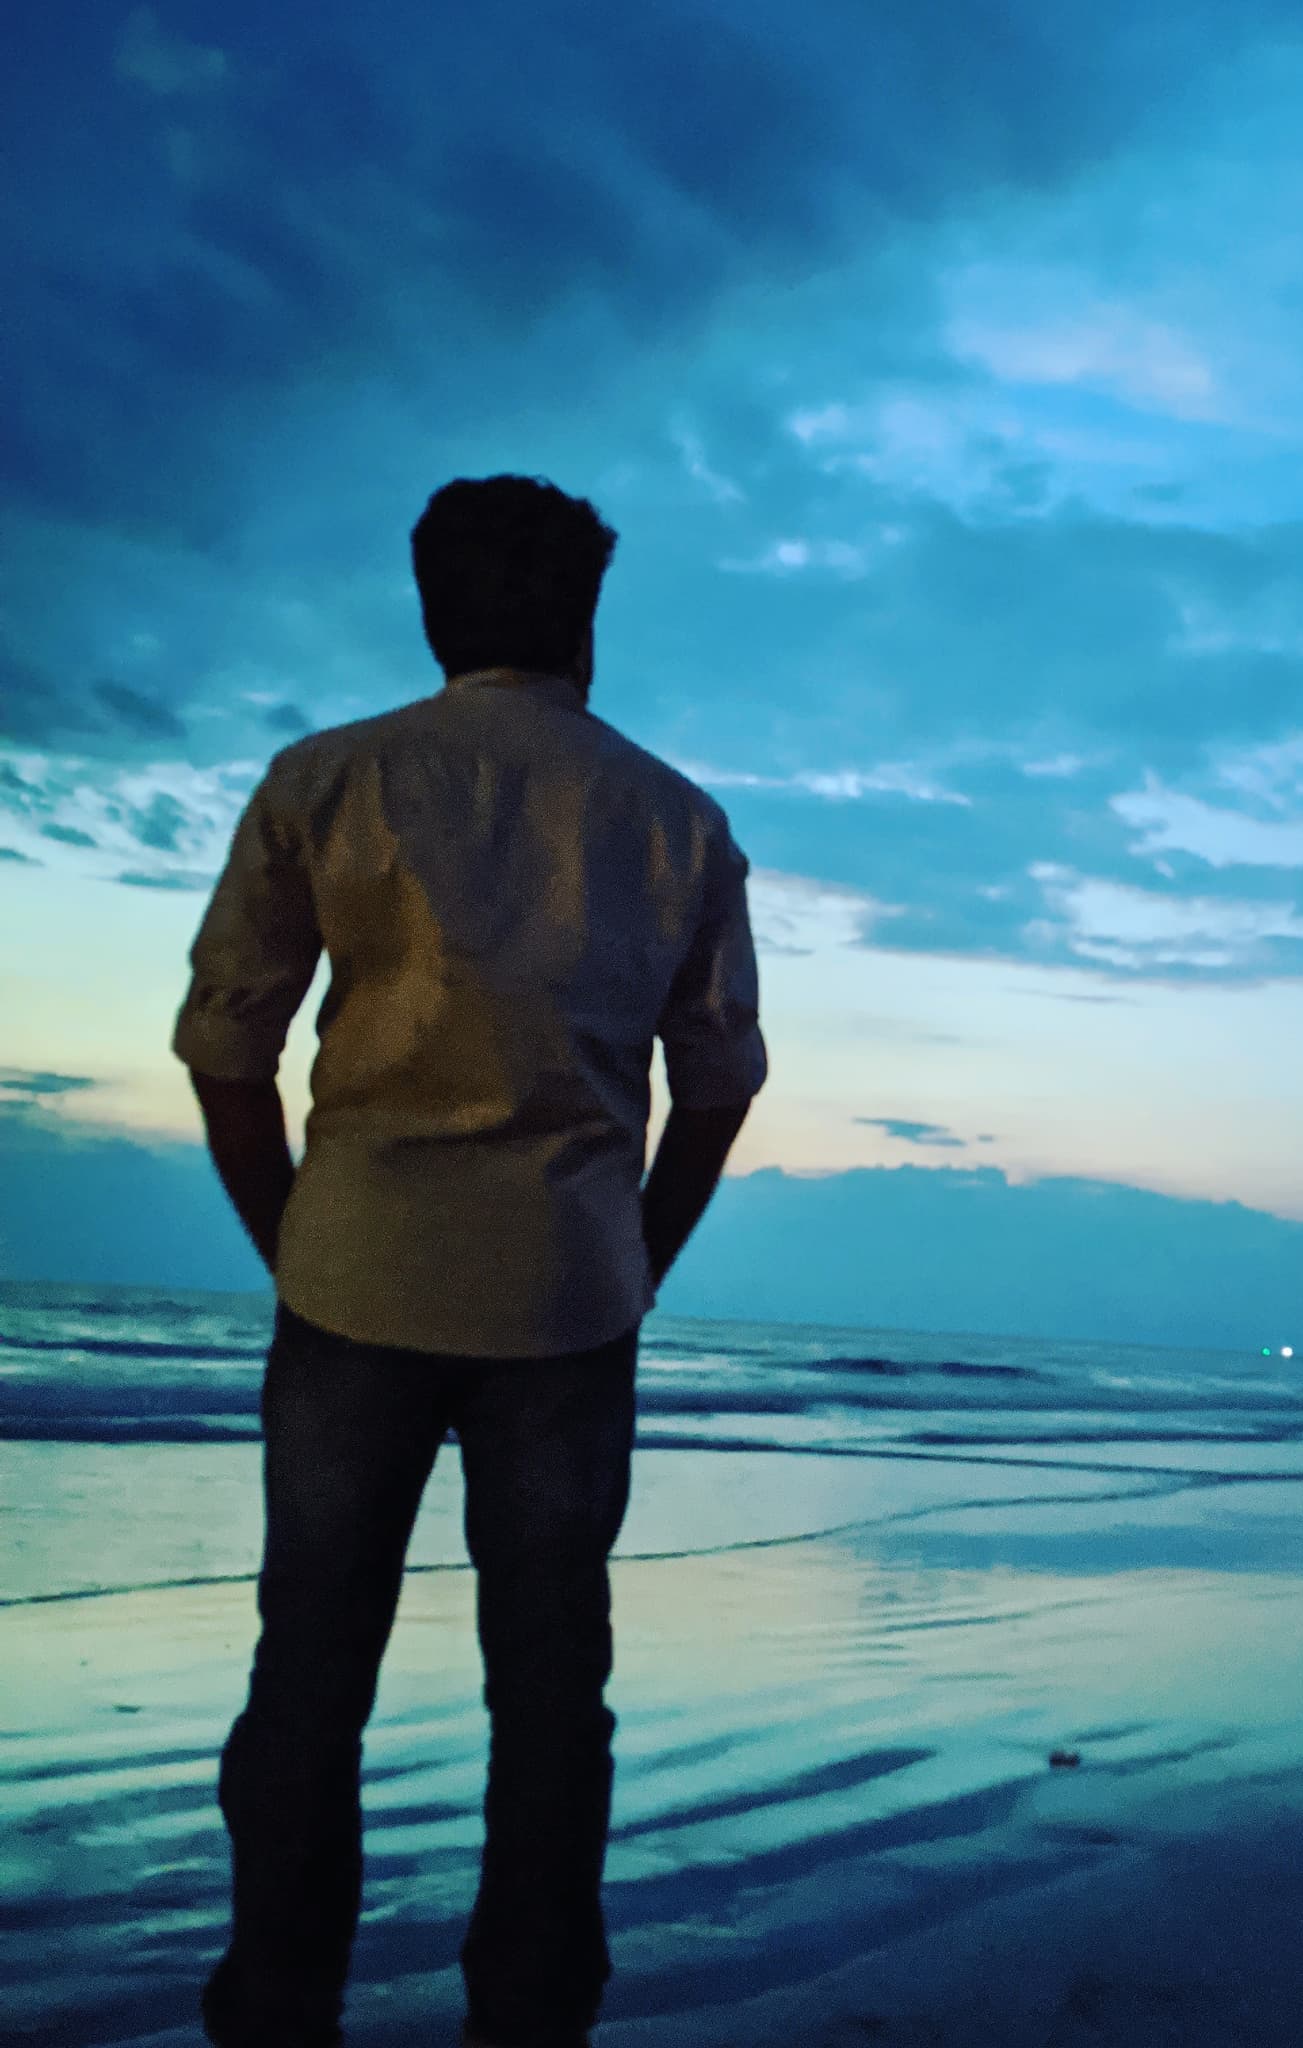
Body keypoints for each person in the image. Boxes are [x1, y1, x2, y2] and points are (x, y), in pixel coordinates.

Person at [173, 474, 769, 2048]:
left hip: (353, 1276)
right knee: (552, 1690)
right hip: (568, 1295)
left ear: (433, 610)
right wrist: (634, 1258)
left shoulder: (332, 777)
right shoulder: (676, 820)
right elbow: (719, 1086)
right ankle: (531, 2014)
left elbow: (226, 1044)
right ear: (586, 614)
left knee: (309, 1667)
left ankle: (280, 2005)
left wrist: (291, 1235)